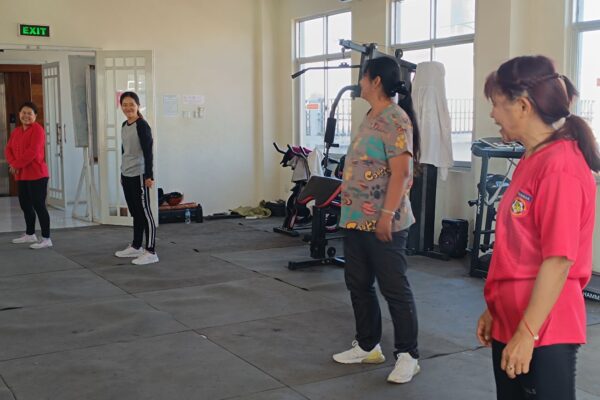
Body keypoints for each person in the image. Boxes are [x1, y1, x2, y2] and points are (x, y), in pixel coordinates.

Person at [476, 55, 599, 400]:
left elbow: (558, 260)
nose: (492, 114)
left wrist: (527, 332)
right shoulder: (533, 157)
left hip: (544, 326)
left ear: (523, 106)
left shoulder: (560, 166)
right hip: (513, 318)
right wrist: (495, 309)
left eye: (496, 103)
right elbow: (519, 248)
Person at [332, 56, 422, 384]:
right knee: (358, 284)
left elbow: (402, 173)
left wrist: (386, 215)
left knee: (394, 288)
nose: (360, 82)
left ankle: (408, 355)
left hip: (386, 221)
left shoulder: (396, 119)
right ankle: (368, 345)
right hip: (356, 217)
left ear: (376, 81)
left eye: (363, 77)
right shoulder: (370, 115)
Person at [114, 91, 159, 265]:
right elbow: (124, 150)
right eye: (124, 105)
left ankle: (151, 251)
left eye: (131, 104)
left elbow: (148, 152)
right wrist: (122, 173)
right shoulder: (124, 125)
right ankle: (136, 246)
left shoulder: (142, 125)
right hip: (127, 174)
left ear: (138, 106)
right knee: (135, 212)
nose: (128, 108)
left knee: (145, 213)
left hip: (140, 174)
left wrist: (149, 176)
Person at [5, 101, 52, 249]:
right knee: (25, 205)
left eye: (29, 113)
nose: (26, 116)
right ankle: (30, 234)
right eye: (23, 113)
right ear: (19, 114)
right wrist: (13, 163)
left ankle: (46, 238)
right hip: (22, 174)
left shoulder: (38, 130)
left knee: (39, 205)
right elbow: (8, 149)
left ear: (35, 115)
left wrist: (16, 165)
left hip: (37, 174)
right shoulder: (16, 131)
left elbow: (32, 152)